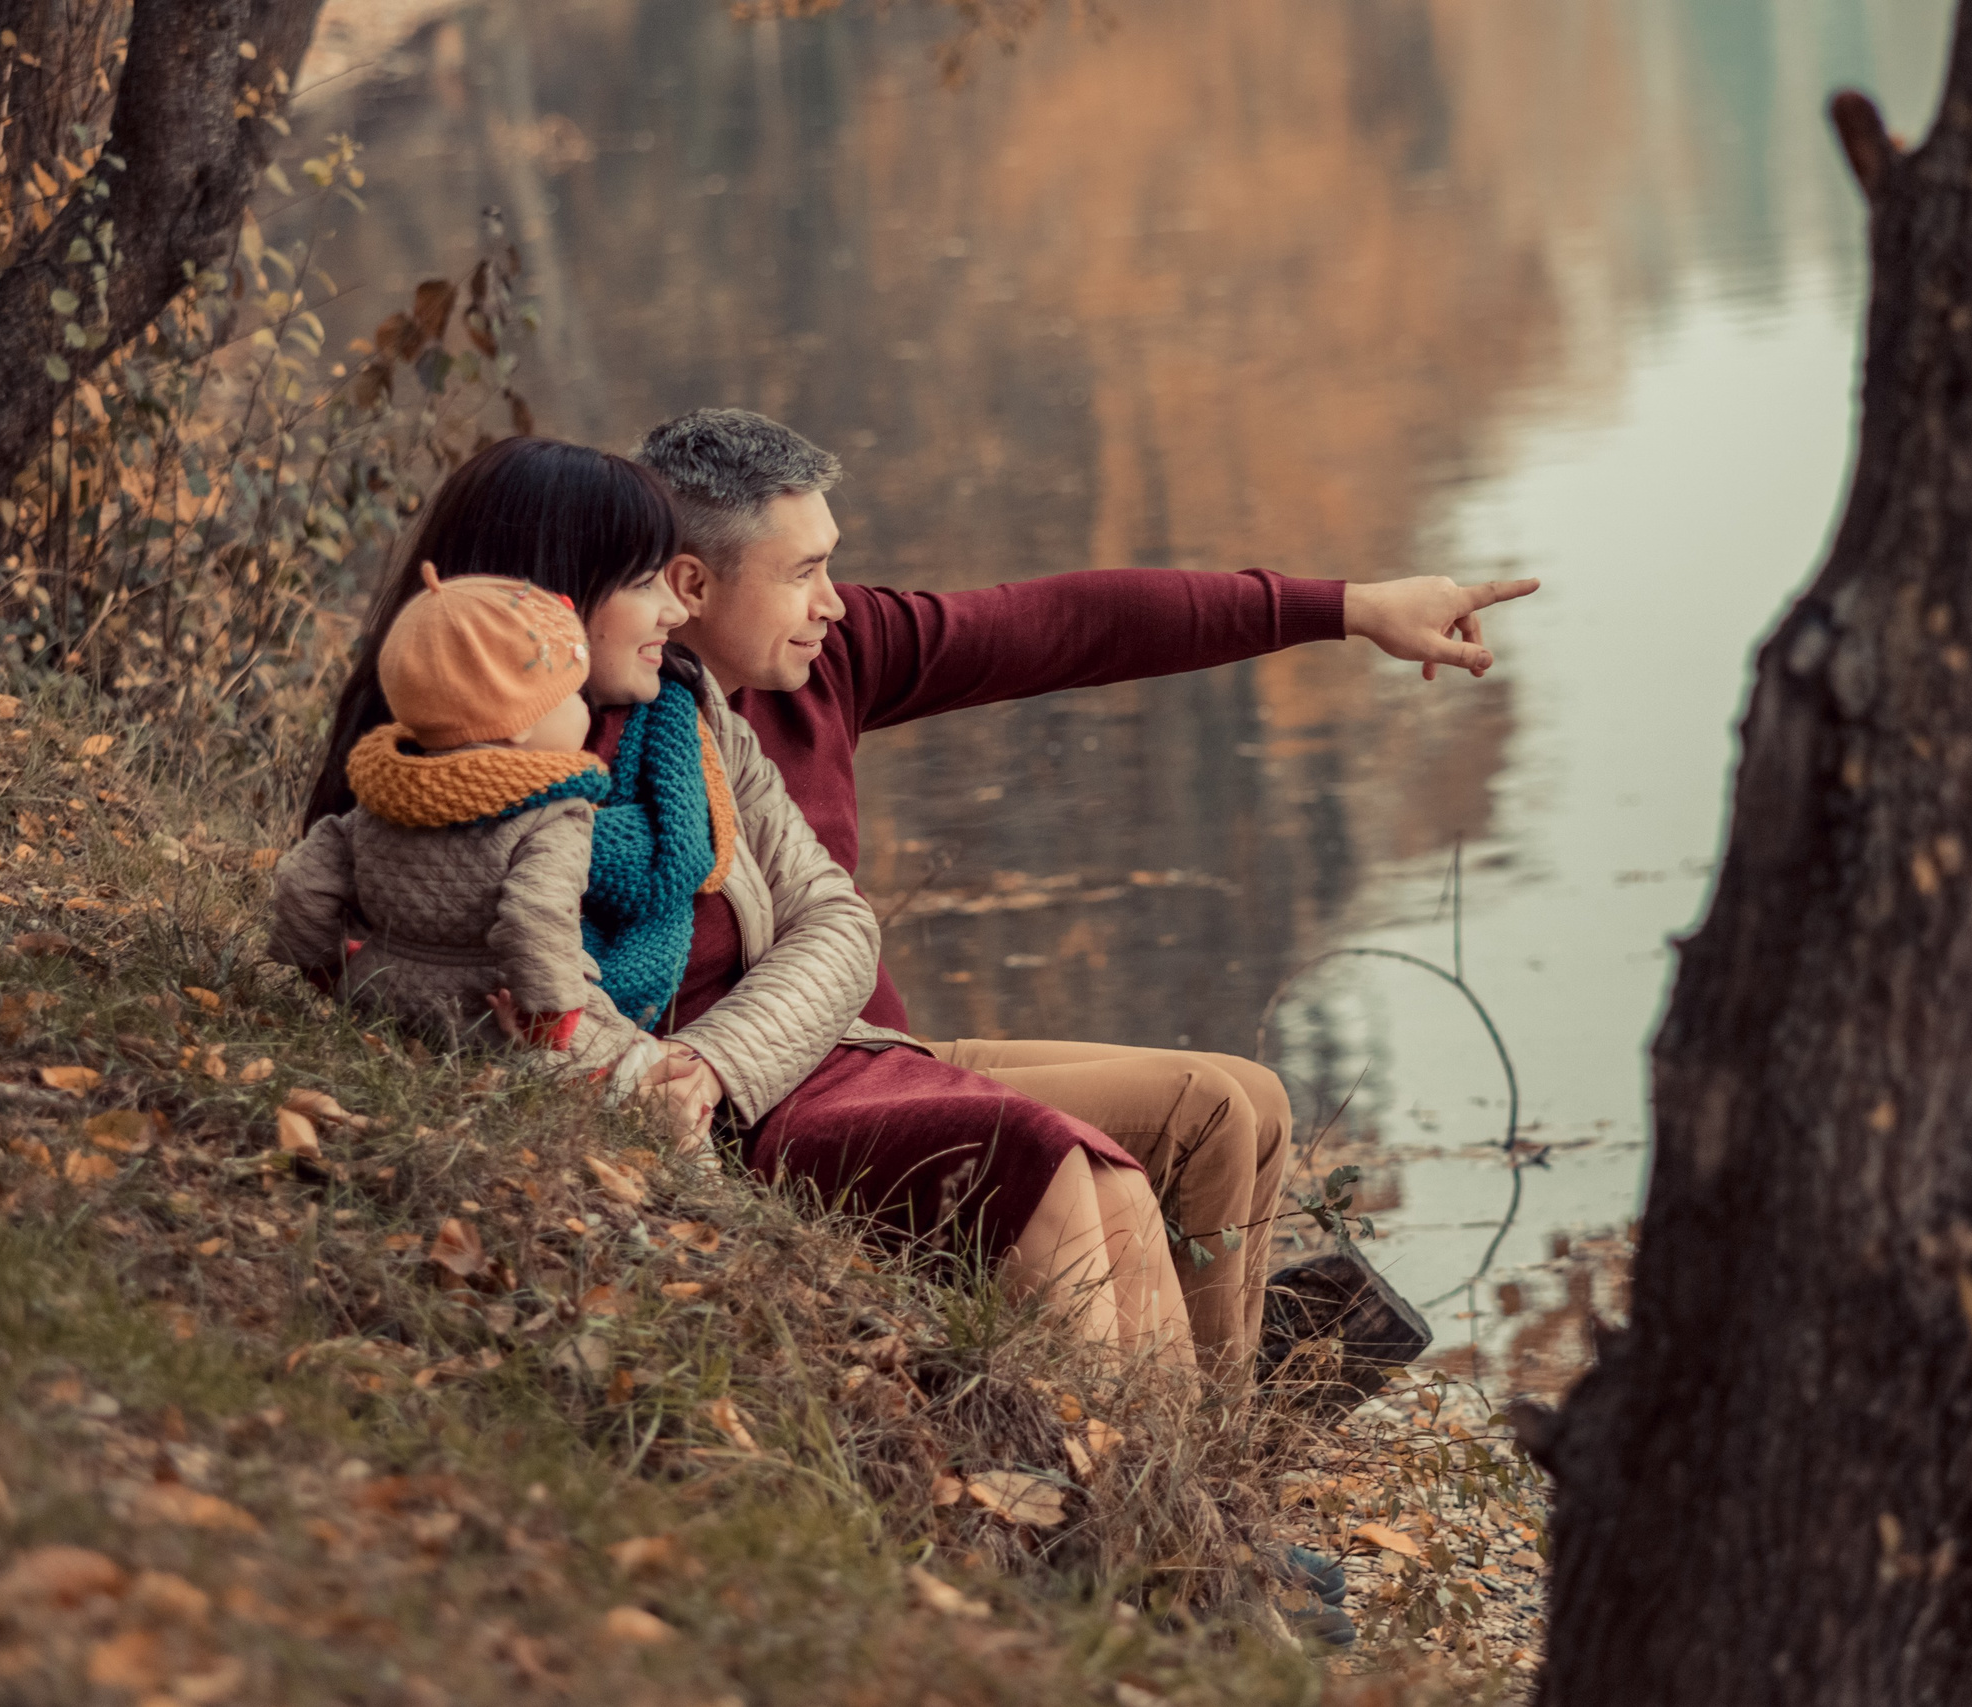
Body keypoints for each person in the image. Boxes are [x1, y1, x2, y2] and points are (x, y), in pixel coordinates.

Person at [632, 408, 1540, 1386]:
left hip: (875, 1053)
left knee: (1261, 1099)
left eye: (828, 567)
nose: (834, 603)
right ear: (691, 584)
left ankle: (1212, 1405)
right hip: (771, 1093)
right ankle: (1207, 1450)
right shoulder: (607, 714)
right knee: (1204, 1117)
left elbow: (1073, 622)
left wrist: (1349, 607)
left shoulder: (828, 661)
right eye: (801, 573)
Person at [297, 437, 1193, 1366]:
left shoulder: (683, 715)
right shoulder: (452, 792)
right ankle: (1086, 1482)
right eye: (647, 582)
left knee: (1115, 1185)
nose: (676, 608)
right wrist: (671, 1080)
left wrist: (713, 1058)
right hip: (710, 1119)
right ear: (546, 605)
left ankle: (1179, 1495)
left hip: (764, 1065)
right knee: (1044, 1159)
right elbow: (516, 996)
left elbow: (838, 919)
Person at [269, 564, 681, 1109]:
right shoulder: (550, 816)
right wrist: (550, 1021)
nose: (587, 710)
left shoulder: (379, 802)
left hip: (377, 995)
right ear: (519, 725)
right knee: (653, 1068)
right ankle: (701, 1174)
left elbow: (301, 884)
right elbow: (537, 914)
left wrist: (326, 970)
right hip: (489, 1015)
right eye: (573, 696)